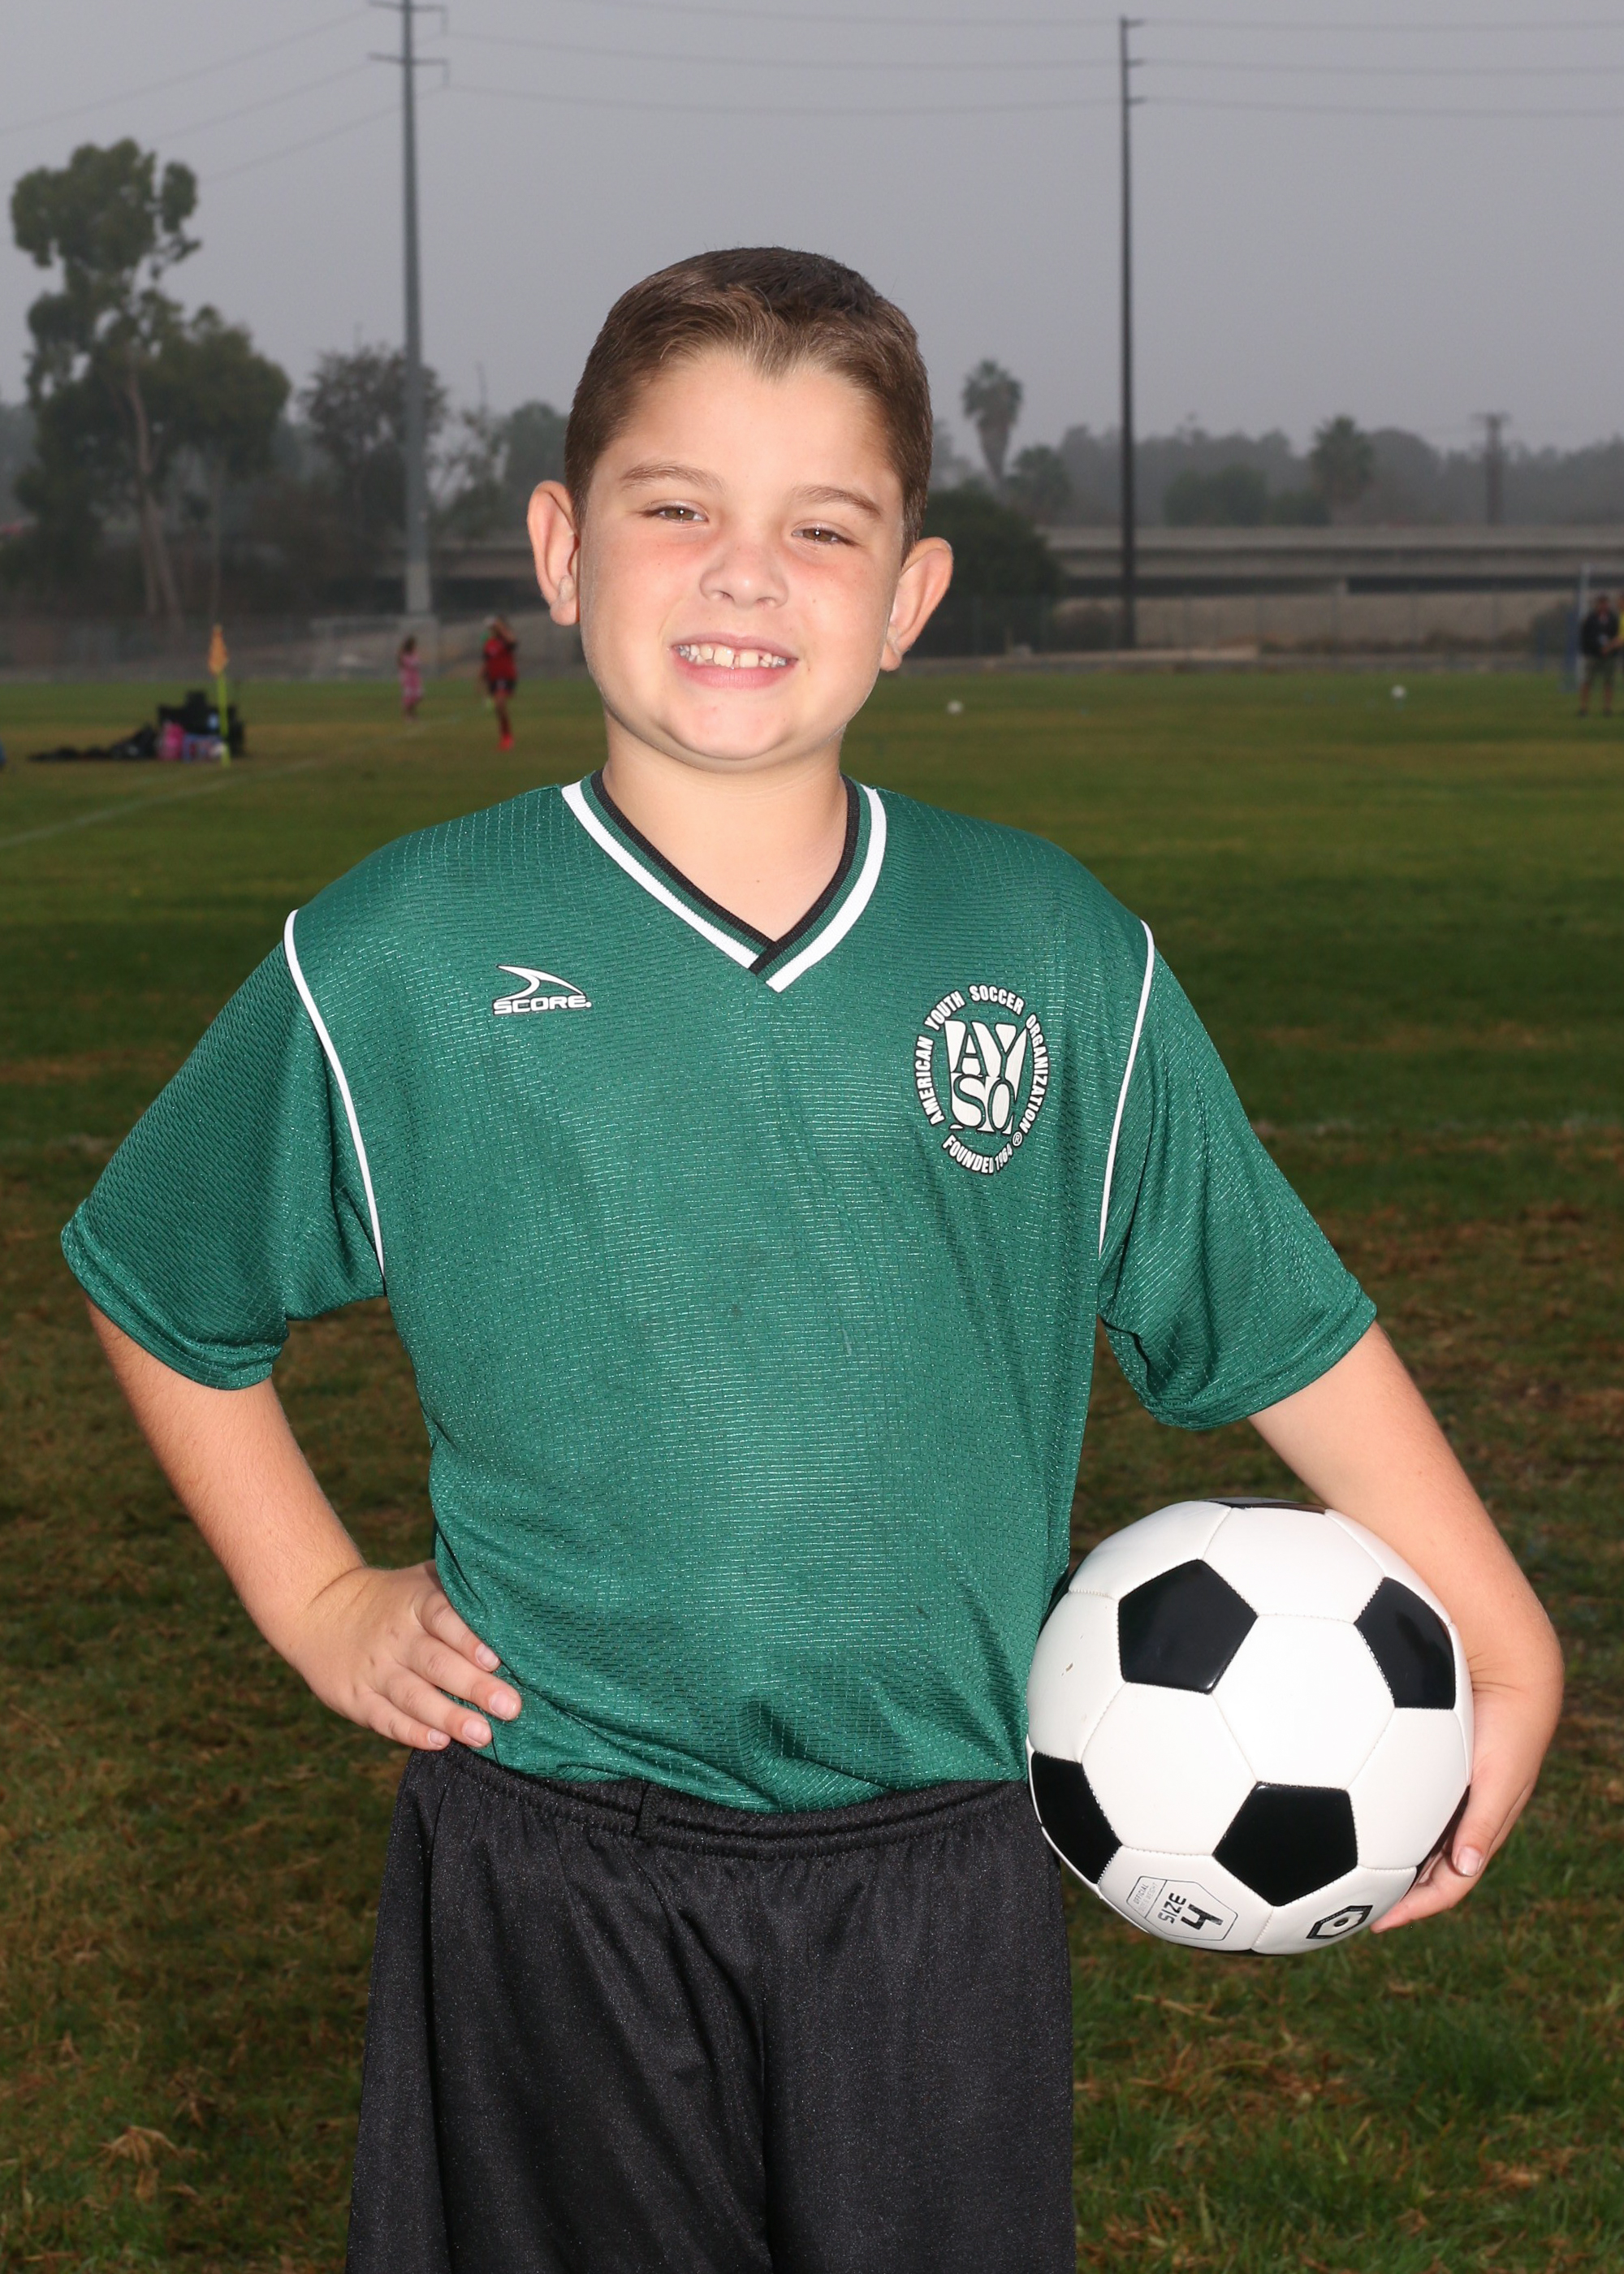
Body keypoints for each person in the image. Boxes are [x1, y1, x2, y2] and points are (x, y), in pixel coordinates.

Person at [63, 250, 1561, 2274]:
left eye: (821, 527)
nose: (745, 573)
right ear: (561, 546)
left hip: (934, 1870)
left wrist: (1500, 1631)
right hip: (555, 1858)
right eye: (677, 505)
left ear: (910, 593)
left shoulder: (1047, 947)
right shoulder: (402, 952)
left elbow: (1270, 1314)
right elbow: (163, 1279)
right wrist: (319, 1596)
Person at [1576, 589, 1619, 716]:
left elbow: (1617, 636)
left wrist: (1612, 650)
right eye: (1601, 602)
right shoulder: (1590, 619)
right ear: (1597, 604)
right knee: (1587, 681)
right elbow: (1585, 636)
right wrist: (1587, 652)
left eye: (1605, 602)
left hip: (1609, 656)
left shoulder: (1613, 618)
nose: (1603, 605)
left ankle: (1607, 708)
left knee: (1608, 682)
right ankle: (1584, 708)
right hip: (1593, 655)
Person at [480, 614, 518, 749]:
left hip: (505, 677)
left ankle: (507, 737)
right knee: (498, 707)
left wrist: (501, 627)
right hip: (494, 679)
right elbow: (486, 663)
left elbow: (513, 642)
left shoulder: (505, 640)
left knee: (500, 703)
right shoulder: (489, 644)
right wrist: (480, 679)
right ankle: (505, 735)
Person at [395, 633, 423, 720]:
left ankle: (412, 713)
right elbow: (407, 664)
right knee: (409, 696)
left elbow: (417, 663)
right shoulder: (404, 655)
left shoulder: (414, 653)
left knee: (417, 696)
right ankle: (407, 715)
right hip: (408, 678)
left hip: (415, 677)